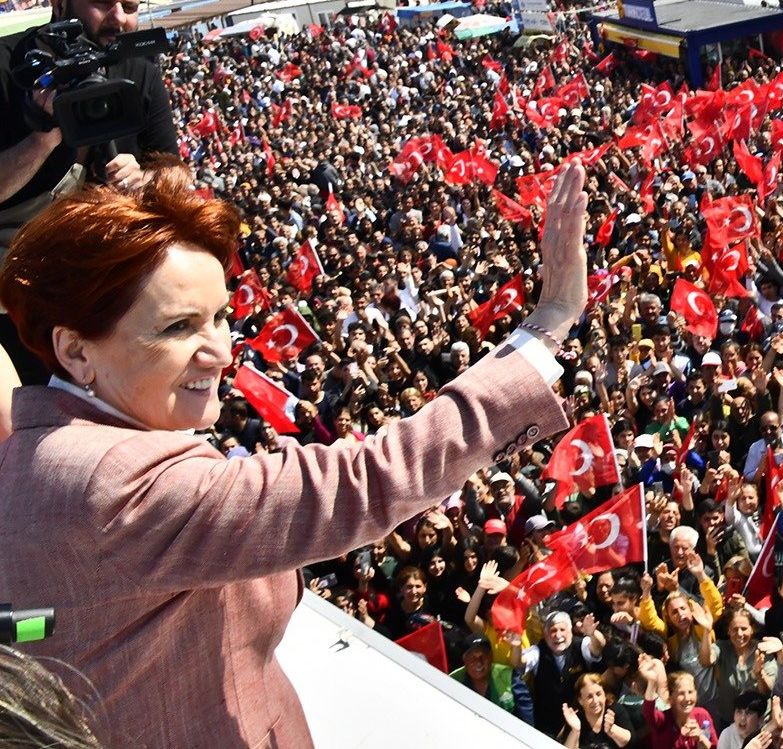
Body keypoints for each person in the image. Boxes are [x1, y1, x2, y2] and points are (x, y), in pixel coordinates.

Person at [0, 164, 589, 747]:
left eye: (220, 317)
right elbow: (366, 481)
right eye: (178, 327)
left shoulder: (53, 447)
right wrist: (551, 321)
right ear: (76, 351)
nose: (221, 352)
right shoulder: (111, 483)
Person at [0, 0, 180, 388]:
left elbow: (176, 172)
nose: (119, 18)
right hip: (12, 293)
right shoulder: (5, 66)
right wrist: (43, 138)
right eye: (102, 3)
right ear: (59, 3)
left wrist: (147, 178)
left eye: (129, 7)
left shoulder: (138, 69)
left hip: (99, 284)